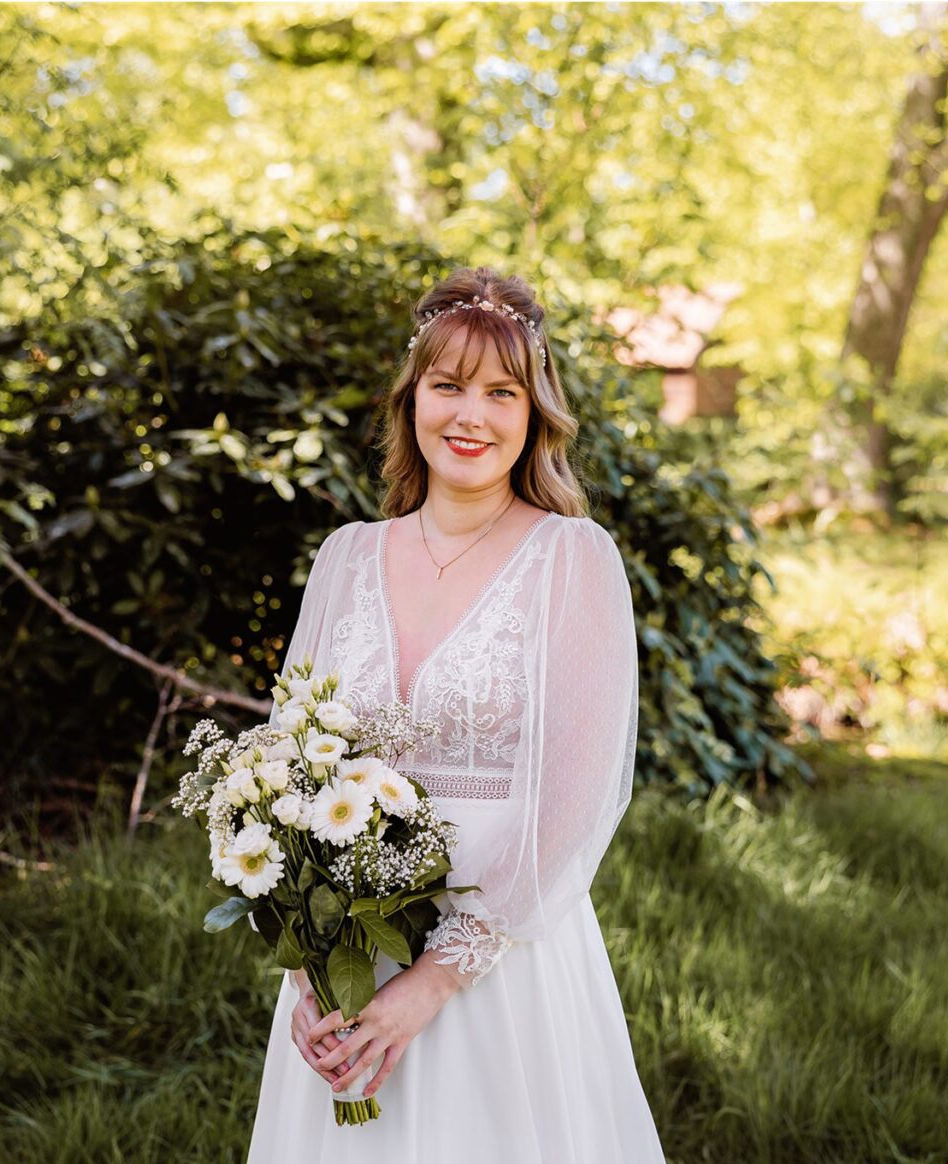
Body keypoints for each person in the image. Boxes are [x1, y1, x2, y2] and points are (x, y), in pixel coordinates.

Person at [245, 268, 665, 1161]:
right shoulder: (346, 558)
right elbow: (290, 775)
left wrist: (433, 983)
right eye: (448, 386)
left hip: (503, 960)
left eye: (500, 392)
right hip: (347, 954)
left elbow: (577, 801)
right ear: (413, 401)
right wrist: (307, 964)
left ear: (534, 412)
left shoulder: (572, 561)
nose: (470, 416)